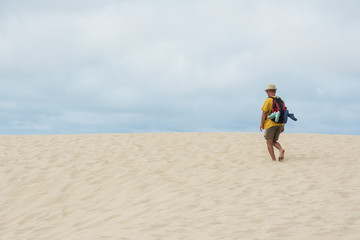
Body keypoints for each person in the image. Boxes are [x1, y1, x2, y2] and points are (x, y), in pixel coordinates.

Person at [260, 84, 285, 161]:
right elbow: (283, 113)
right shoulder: (281, 100)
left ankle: (273, 160)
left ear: (269, 91)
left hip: (271, 124)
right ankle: (280, 149)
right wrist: (283, 125)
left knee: (269, 142)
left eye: (267, 91)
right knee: (274, 141)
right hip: (280, 123)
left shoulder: (268, 100)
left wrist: (262, 124)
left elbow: (264, 113)